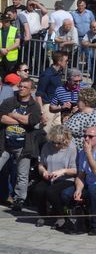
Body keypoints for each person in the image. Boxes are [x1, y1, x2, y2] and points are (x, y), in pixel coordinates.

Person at [61, 126, 96, 235]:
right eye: (85, 136)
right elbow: (81, 175)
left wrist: (89, 153)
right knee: (66, 194)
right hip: (89, 184)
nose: (86, 139)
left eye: (90, 136)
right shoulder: (82, 152)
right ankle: (77, 222)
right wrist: (78, 189)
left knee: (93, 189)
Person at [0, 78, 42, 211]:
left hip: (24, 145)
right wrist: (22, 120)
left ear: (31, 90)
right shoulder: (9, 101)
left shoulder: (35, 106)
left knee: (22, 175)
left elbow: (32, 121)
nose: (21, 89)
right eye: (20, 86)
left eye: (24, 87)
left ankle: (19, 200)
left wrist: (12, 115)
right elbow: (1, 117)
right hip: (4, 143)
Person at [32, 125, 77, 228]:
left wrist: (63, 171)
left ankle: (60, 216)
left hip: (66, 178)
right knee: (38, 190)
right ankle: (42, 215)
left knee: (51, 192)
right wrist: (44, 171)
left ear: (66, 140)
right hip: (50, 177)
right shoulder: (47, 146)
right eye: (54, 142)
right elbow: (41, 164)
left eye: (59, 143)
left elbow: (75, 170)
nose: (56, 145)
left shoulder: (72, 148)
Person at [0, 12, 21, 77]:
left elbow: (17, 43)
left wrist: (6, 50)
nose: (7, 22)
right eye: (5, 21)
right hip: (1, 56)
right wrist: (1, 50)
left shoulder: (14, 30)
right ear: (2, 21)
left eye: (8, 21)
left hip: (11, 58)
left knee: (10, 76)